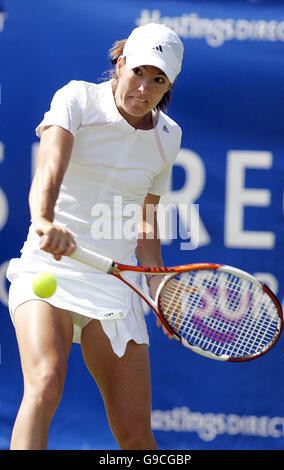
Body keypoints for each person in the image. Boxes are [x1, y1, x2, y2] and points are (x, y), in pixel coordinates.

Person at [6, 23, 184, 450]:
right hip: (50, 269)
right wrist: (45, 220)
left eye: (158, 79)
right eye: (138, 71)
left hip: (114, 284)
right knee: (45, 383)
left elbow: (146, 222)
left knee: (135, 434)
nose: (144, 87)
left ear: (168, 86)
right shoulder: (78, 99)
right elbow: (50, 166)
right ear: (120, 65)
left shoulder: (168, 137)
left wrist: (158, 286)